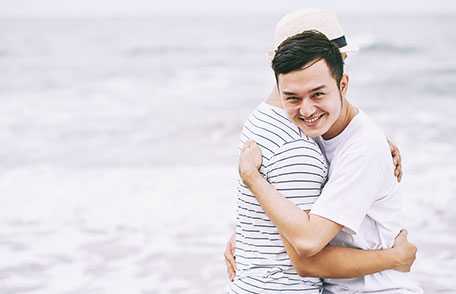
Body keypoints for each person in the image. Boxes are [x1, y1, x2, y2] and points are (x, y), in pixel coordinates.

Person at [225, 9, 414, 294]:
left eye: (318, 90)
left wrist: (254, 181)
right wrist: (253, 233)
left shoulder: (356, 146)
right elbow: (301, 237)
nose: (308, 106)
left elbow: (306, 248)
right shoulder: (304, 135)